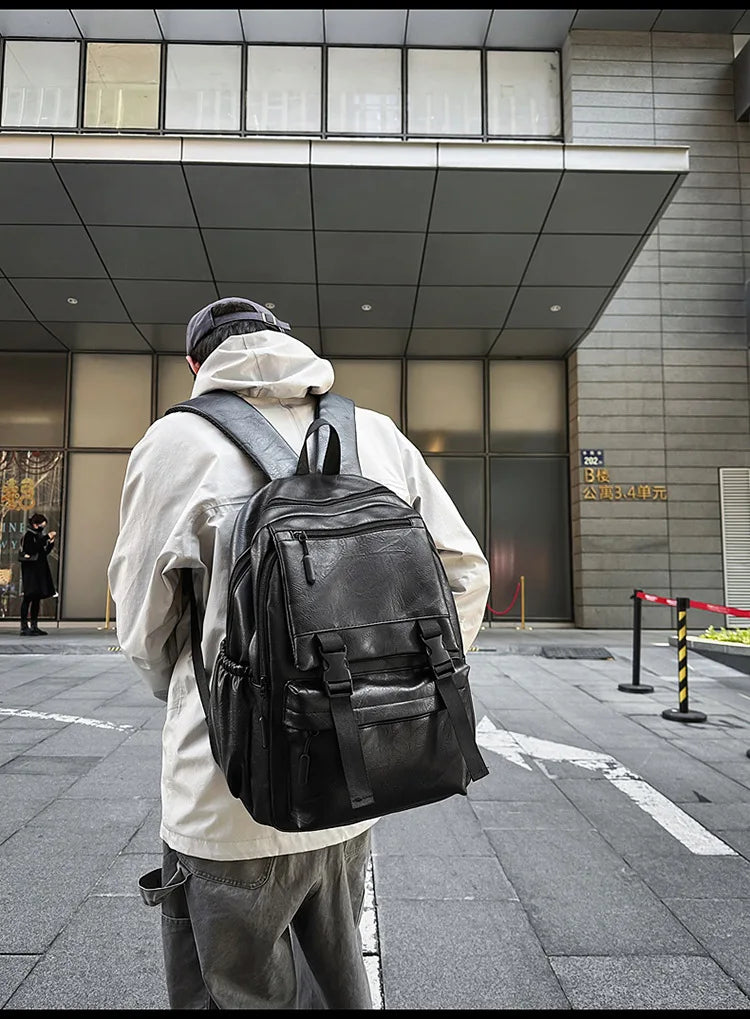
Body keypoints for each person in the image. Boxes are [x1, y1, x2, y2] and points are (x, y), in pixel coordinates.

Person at [107, 297, 491, 1010]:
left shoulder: (174, 442)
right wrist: (398, 684)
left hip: (223, 797)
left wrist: (189, 690)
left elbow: (142, 624)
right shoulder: (375, 433)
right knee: (339, 988)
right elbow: (466, 572)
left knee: (234, 993)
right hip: (354, 780)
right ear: (287, 342)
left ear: (196, 363)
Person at [19, 512, 57, 636]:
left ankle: (34, 625)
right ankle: (24, 626)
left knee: (36, 598)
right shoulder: (29, 536)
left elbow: (42, 552)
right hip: (31, 572)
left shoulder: (38, 536)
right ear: (35, 525)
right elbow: (32, 549)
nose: (42, 528)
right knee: (28, 597)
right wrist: (46, 538)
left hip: (39, 571)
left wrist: (50, 543)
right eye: (41, 525)